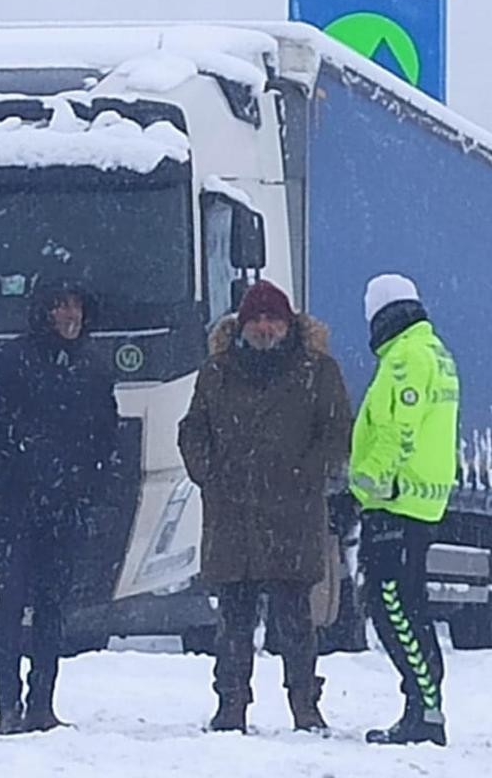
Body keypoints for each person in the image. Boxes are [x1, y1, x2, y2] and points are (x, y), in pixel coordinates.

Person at [177, 280, 352, 734]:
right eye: (256, 318)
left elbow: (336, 434)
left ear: (288, 323)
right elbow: (193, 429)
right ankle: (230, 706)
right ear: (242, 324)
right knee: (233, 622)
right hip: (231, 516)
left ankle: (305, 706)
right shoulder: (216, 372)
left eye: (273, 318)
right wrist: (209, 475)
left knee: (296, 621)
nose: (265, 327)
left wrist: (306, 475)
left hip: (292, 516)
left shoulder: (318, 371)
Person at [0, 279, 120, 736]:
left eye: (77, 307)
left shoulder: (92, 368)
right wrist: (6, 476)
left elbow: (107, 435)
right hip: (15, 507)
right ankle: (8, 705)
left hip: (65, 507)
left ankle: (42, 702)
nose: (71, 316)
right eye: (61, 307)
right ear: (42, 312)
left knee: (52, 608)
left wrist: (88, 486)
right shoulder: (5, 362)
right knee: (9, 607)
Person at [350, 273, 460, 747]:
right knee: (410, 605)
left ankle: (424, 710)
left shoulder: (405, 358)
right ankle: (424, 707)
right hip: (416, 500)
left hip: (395, 500)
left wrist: (367, 482)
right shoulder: (431, 350)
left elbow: (399, 427)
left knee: (391, 604)